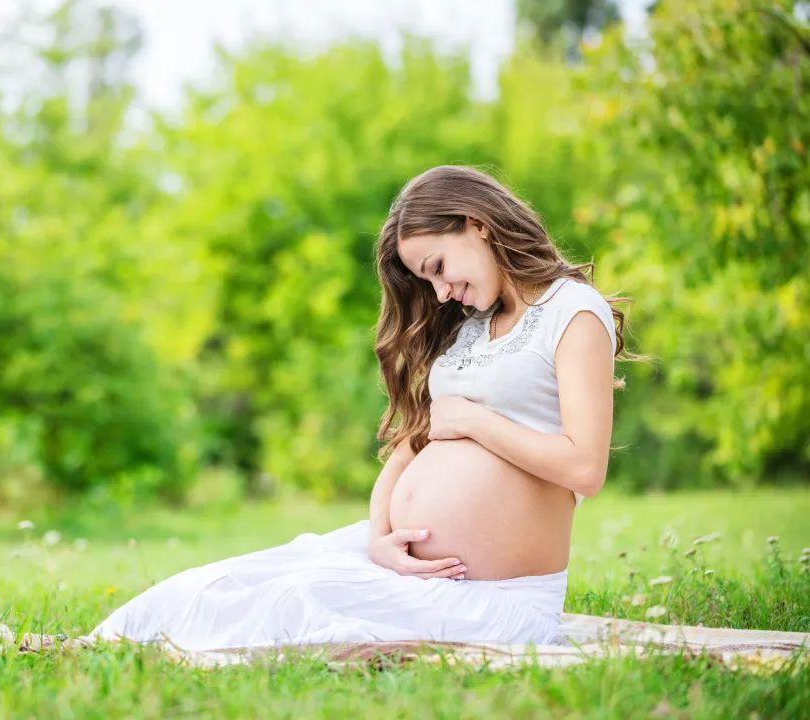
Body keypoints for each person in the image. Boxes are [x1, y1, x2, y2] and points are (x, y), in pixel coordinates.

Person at [75, 165, 631, 651]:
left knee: (301, 599)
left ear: (476, 224)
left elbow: (585, 466)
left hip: (497, 596)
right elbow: (416, 443)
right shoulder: (475, 329)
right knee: (237, 579)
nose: (439, 293)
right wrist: (379, 537)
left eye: (437, 266)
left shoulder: (572, 313)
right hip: (409, 565)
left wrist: (475, 422)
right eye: (426, 279)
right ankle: (93, 647)